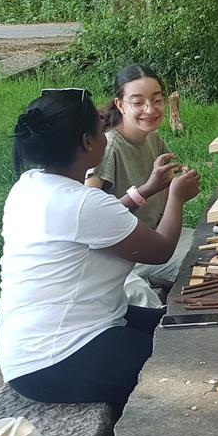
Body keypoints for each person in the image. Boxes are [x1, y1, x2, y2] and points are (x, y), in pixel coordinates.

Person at [0, 88, 200, 414]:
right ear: (88, 142)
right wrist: (176, 197)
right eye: (100, 123)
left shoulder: (31, 185)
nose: (108, 126)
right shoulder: (81, 203)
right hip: (58, 357)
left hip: (31, 346)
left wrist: (145, 191)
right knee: (185, 363)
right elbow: (161, 249)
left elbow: (98, 226)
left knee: (180, 329)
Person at [85, 65, 189, 305]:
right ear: (120, 104)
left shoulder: (151, 136)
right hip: (128, 248)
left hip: (158, 234)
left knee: (212, 250)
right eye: (138, 102)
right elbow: (90, 212)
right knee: (200, 266)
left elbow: (169, 181)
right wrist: (158, 191)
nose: (150, 110)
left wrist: (181, 180)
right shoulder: (109, 147)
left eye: (157, 100)